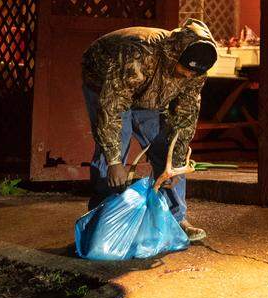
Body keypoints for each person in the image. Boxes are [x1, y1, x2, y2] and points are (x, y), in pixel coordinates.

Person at [80, 19, 218, 242]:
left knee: (168, 153)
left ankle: (175, 220)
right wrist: (115, 161)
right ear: (175, 55)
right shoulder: (137, 55)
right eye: (186, 71)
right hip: (106, 84)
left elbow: (185, 116)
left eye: (194, 74)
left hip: (149, 94)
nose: (189, 77)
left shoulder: (196, 69)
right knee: (112, 151)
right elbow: (112, 106)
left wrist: (177, 163)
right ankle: (102, 222)